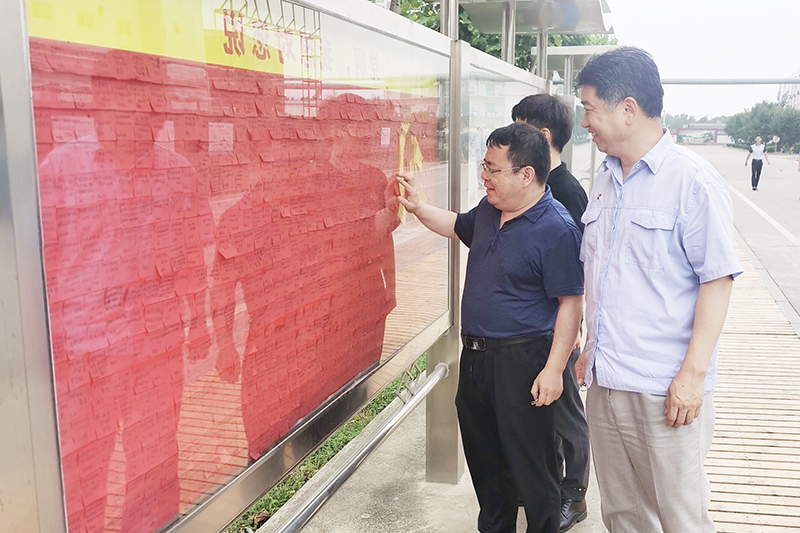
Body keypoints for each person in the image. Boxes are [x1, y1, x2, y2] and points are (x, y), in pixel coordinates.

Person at [574, 46, 742, 533]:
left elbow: (717, 278)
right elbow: (605, 272)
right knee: (623, 513)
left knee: (680, 516)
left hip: (663, 388)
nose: (586, 122)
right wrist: (591, 347)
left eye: (590, 109)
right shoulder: (604, 180)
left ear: (627, 109)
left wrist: (692, 375)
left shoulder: (692, 182)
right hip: (606, 382)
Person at [398, 122, 584, 533]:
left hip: (524, 360)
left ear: (526, 174)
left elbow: (571, 304)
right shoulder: (488, 211)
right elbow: (455, 225)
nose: (484, 176)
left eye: (492, 169)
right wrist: (418, 206)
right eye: (484, 166)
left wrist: (554, 370)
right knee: (487, 466)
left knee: (534, 471)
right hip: (477, 359)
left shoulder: (556, 228)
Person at [512, 94, 590, 532]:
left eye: (521, 129)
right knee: (544, 411)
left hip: (556, 327)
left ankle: (574, 494)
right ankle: (550, 486)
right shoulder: (538, 185)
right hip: (533, 327)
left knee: (566, 415)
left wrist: (573, 332)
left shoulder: (566, 192)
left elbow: (577, 271)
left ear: (542, 137)